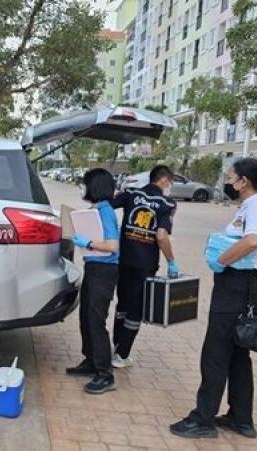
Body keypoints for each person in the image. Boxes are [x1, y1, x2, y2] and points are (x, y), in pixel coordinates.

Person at [170, 158, 257, 439]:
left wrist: (221, 260)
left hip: (237, 287)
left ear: (244, 181)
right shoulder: (256, 205)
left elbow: (254, 240)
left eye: (231, 177)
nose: (227, 182)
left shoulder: (255, 205)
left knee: (216, 353)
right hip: (243, 285)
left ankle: (203, 419)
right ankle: (240, 418)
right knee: (237, 355)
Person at [110, 165, 179, 368]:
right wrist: (171, 261)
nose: (170, 187)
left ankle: (116, 345)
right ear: (164, 180)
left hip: (123, 260)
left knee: (123, 303)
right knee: (136, 309)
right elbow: (161, 235)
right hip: (145, 265)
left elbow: (106, 206)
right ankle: (121, 355)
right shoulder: (167, 203)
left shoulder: (131, 193)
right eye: (171, 183)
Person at [66, 168, 120, 394]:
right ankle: (90, 361)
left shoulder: (105, 211)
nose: (83, 188)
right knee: (86, 317)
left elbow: (112, 245)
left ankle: (105, 374)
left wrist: (87, 243)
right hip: (94, 267)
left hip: (104, 271)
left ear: (95, 186)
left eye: (85, 184)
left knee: (96, 320)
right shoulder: (96, 210)